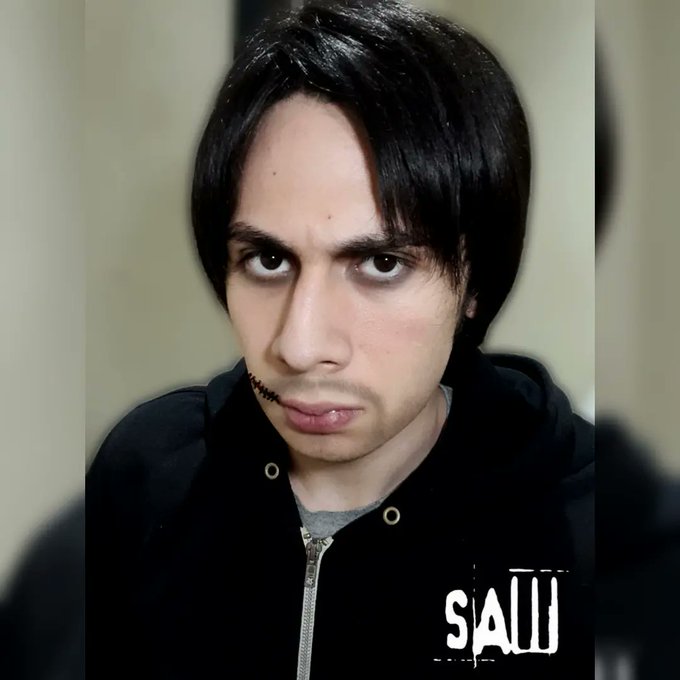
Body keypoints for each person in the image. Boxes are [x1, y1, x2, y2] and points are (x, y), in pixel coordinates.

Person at [86, 2, 593, 678]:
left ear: (473, 281)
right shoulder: (143, 478)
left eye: (381, 263)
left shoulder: (593, 528)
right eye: (268, 260)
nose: (299, 347)